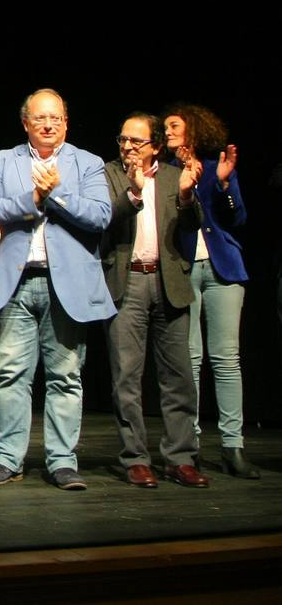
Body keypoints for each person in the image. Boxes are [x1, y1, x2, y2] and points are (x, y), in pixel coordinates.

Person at [0, 89, 114, 491]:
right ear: (26, 123)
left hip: (67, 284)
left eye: (55, 118)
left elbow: (100, 215)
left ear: (66, 122)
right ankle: (7, 458)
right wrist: (32, 198)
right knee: (10, 375)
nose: (48, 125)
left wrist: (55, 194)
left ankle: (62, 461)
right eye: (40, 118)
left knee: (66, 377)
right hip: (17, 281)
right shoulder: (2, 161)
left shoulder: (87, 163)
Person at [101, 113, 209, 488]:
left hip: (169, 283)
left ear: (157, 146)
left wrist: (184, 194)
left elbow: (193, 223)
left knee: (178, 377)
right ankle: (135, 458)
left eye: (137, 141)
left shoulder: (170, 175)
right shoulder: (108, 173)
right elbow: (103, 219)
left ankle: (180, 458)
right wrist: (132, 191)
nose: (128, 147)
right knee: (126, 377)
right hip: (127, 281)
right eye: (123, 140)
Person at [163, 104, 258, 478]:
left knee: (226, 359)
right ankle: (192, 445)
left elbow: (238, 218)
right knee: (190, 360)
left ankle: (233, 446)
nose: (166, 131)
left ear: (193, 130)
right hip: (184, 269)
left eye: (174, 126)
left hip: (223, 268)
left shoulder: (218, 165)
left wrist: (222, 185)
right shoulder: (166, 172)